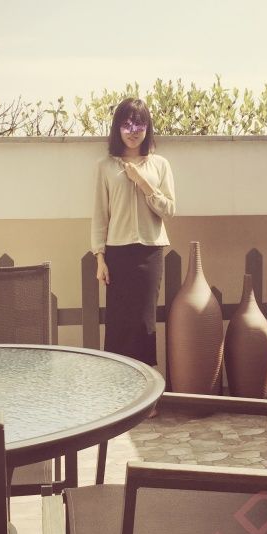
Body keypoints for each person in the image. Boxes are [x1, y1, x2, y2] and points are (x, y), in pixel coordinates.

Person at [91, 97, 175, 365]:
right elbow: (100, 215)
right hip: (117, 254)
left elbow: (169, 209)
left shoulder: (160, 165)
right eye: (126, 125)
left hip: (150, 252)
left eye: (139, 125)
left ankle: (146, 386)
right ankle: (117, 385)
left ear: (147, 128)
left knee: (143, 322)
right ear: (117, 128)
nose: (133, 131)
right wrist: (100, 258)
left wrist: (143, 183)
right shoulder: (105, 166)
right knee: (118, 322)